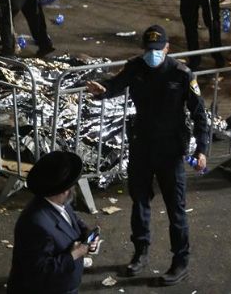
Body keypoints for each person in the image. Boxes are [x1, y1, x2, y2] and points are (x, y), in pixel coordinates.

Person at [86, 25, 210, 286]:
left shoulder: (182, 74)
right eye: (149, 50)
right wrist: (103, 90)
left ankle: (180, 262)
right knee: (139, 203)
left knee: (176, 210)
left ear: (167, 48)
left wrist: (202, 150)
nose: (152, 54)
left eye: (158, 49)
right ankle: (140, 252)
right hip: (142, 147)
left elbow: (200, 115)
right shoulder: (136, 67)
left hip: (170, 152)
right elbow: (115, 85)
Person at [6, 150, 100, 294]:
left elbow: (73, 221)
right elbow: (40, 273)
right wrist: (74, 254)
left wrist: (87, 235)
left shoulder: (58, 203)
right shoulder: (35, 225)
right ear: (64, 191)